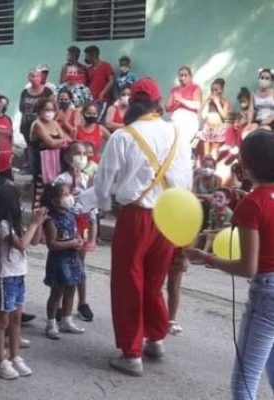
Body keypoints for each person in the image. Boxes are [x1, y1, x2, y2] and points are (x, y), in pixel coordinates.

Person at [94, 78, 193, 376]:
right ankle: (156, 338)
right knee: (153, 281)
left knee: (128, 283)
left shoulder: (123, 136)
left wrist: (102, 205)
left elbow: (104, 180)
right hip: (168, 216)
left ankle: (131, 354)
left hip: (136, 217)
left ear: (131, 105)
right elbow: (185, 179)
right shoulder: (176, 133)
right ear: (158, 104)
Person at [184, 129, 274, 399]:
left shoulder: (253, 204)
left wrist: (207, 258)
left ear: (246, 164)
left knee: (244, 382)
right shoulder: (256, 200)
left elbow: (248, 267)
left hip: (267, 294)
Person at [0, 182, 46, 379]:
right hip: (5, 276)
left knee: (16, 317)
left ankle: (15, 356)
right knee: (3, 319)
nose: (21, 203)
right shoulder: (3, 225)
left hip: (19, 274)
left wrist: (39, 223)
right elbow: (21, 244)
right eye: (19, 200)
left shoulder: (16, 223)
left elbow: (34, 241)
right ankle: (0, 360)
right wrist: (35, 224)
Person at [55, 141, 96, 321]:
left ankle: (82, 302)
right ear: (67, 157)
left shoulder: (87, 179)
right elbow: (55, 205)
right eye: (77, 153)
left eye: (84, 154)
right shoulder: (61, 179)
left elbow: (93, 209)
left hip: (83, 224)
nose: (81, 157)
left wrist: (92, 237)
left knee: (79, 264)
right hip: (65, 225)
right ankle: (58, 304)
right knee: (62, 264)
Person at [41, 182, 86, 339]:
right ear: (54, 201)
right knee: (57, 292)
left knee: (71, 289)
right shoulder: (51, 220)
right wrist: (71, 243)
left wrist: (79, 241)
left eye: (69, 194)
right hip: (59, 261)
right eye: (65, 195)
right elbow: (52, 244)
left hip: (72, 258)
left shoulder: (70, 215)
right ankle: (51, 323)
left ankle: (67, 319)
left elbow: (75, 233)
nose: (69, 197)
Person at [29, 99, 66, 209]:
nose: (49, 112)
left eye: (52, 109)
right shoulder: (37, 124)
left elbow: (65, 139)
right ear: (39, 110)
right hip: (41, 166)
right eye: (46, 109)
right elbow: (50, 143)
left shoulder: (54, 123)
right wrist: (60, 142)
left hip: (55, 165)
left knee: (53, 192)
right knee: (40, 194)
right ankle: (37, 219)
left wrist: (58, 142)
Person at [19, 70, 55, 168]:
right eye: (32, 76)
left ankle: (45, 169)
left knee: (43, 146)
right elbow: (21, 108)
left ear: (41, 78)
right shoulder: (25, 92)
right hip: (27, 125)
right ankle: (32, 168)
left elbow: (54, 107)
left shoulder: (47, 91)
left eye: (37, 76)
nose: (34, 78)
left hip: (43, 125)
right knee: (30, 147)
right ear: (28, 78)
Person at [165, 66, 203, 145]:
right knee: (170, 142)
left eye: (185, 75)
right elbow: (167, 108)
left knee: (182, 144)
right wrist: (172, 100)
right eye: (181, 75)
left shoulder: (195, 88)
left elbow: (197, 105)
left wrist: (181, 100)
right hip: (174, 120)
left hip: (188, 122)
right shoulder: (174, 89)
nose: (183, 77)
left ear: (190, 76)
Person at [198, 78, 231, 159]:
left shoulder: (225, 101)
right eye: (212, 90)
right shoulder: (209, 100)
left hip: (218, 128)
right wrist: (207, 102)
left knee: (214, 149)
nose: (214, 92)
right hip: (208, 127)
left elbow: (224, 116)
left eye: (216, 90)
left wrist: (217, 103)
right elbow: (203, 115)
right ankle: (205, 164)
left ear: (222, 90)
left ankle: (212, 164)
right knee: (206, 148)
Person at [84, 45, 114, 119]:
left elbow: (111, 81)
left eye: (87, 55)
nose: (86, 57)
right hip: (91, 99)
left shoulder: (106, 66)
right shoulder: (89, 69)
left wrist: (102, 93)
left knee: (101, 119)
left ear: (93, 54)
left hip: (102, 99)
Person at [201, 188, 233, 253]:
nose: (217, 199)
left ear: (227, 201)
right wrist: (208, 230)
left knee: (210, 236)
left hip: (225, 234)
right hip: (214, 231)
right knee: (199, 236)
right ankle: (188, 255)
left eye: (221, 197)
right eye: (215, 197)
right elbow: (211, 225)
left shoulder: (229, 213)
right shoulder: (212, 212)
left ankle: (204, 253)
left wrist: (211, 231)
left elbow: (225, 229)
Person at [223, 87, 251, 153]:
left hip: (245, 126)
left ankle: (237, 146)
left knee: (239, 130)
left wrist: (241, 122)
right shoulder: (239, 108)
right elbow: (236, 116)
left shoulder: (251, 109)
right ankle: (228, 144)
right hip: (238, 123)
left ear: (249, 100)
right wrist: (236, 121)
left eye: (244, 101)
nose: (242, 103)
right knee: (230, 127)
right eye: (240, 102)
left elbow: (249, 119)